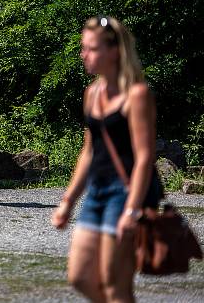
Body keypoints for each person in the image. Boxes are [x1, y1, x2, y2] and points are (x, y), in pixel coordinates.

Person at [51, 16, 162, 302]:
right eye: (83, 48)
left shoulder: (136, 95)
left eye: (91, 49)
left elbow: (144, 157)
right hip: (97, 191)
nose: (83, 55)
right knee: (80, 276)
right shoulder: (92, 93)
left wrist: (132, 209)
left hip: (124, 194)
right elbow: (89, 151)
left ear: (113, 51)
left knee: (116, 285)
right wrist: (67, 201)